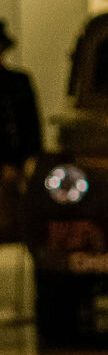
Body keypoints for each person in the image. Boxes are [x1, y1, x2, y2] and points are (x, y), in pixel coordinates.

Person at [0, 21, 41, 241]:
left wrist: (26, 161)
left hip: (16, 165)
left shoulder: (18, 83)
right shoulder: (17, 83)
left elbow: (30, 125)